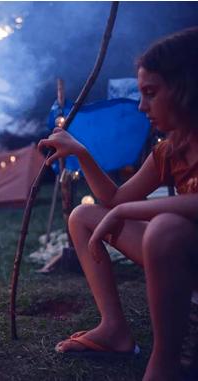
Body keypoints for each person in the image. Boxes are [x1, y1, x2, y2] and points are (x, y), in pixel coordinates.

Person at [38, 27, 198, 380]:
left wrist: (127, 212)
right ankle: (114, 330)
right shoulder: (169, 151)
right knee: (83, 216)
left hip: (181, 246)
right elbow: (114, 200)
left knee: (165, 229)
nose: (142, 107)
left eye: (151, 94)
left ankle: (165, 364)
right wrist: (81, 152)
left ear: (186, 88)